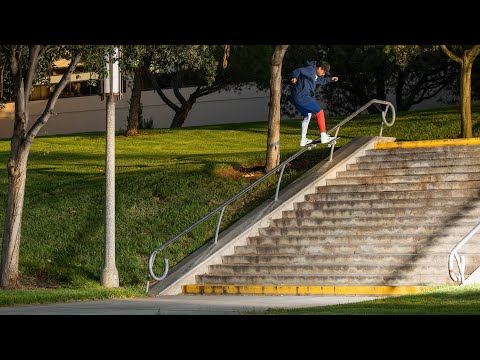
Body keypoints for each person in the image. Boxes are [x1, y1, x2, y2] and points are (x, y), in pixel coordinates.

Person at [290, 60, 339, 146]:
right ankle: (323, 136)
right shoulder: (311, 70)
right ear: (319, 68)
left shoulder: (313, 75)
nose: (324, 74)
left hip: (296, 98)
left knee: (307, 115)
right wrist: (294, 77)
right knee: (319, 112)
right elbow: (297, 71)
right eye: (324, 72)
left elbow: (320, 81)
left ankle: (303, 140)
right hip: (303, 97)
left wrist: (330, 79)